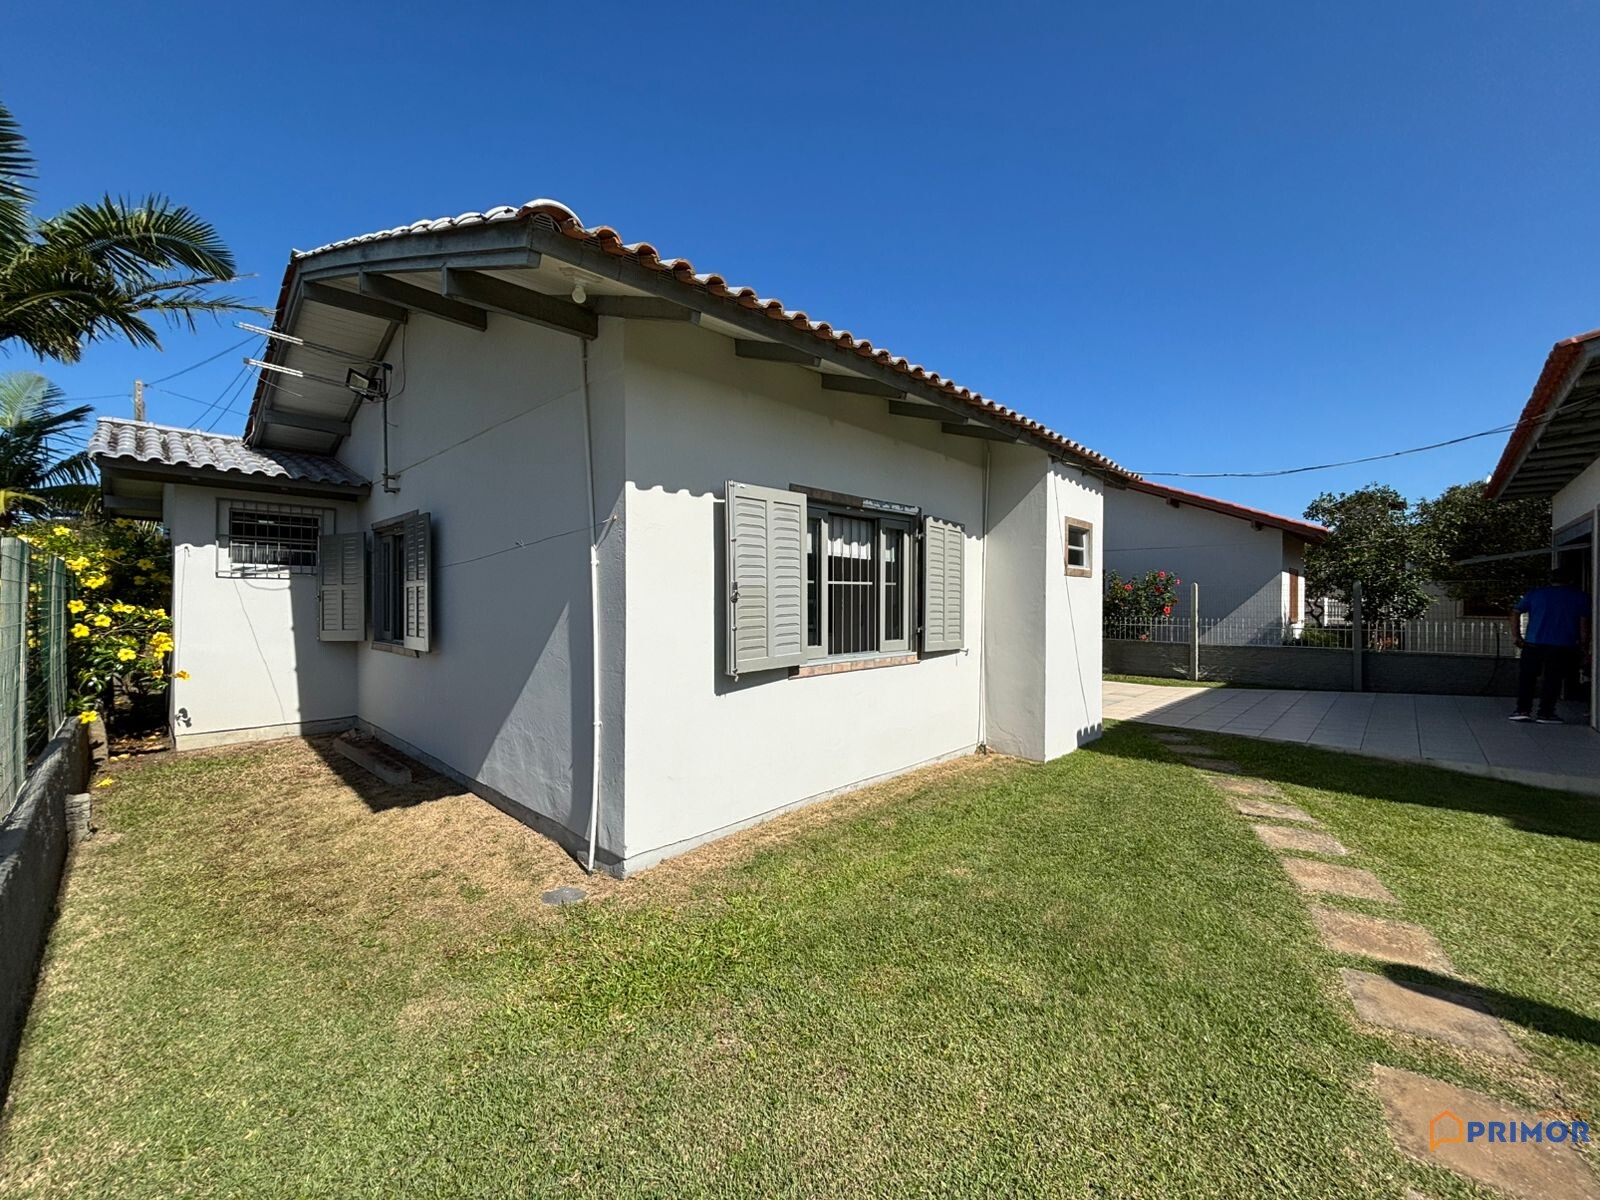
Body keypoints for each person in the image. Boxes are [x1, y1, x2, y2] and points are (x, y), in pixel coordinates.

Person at [1509, 564, 1591, 724]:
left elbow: (1516, 611)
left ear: (1550, 580)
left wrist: (1517, 636)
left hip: (1533, 643)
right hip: (1562, 645)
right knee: (1553, 679)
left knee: (1527, 678)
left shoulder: (1535, 594)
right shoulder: (1580, 597)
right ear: (1571, 580)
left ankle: (1522, 710)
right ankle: (1546, 713)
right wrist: (1584, 646)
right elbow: (1584, 625)